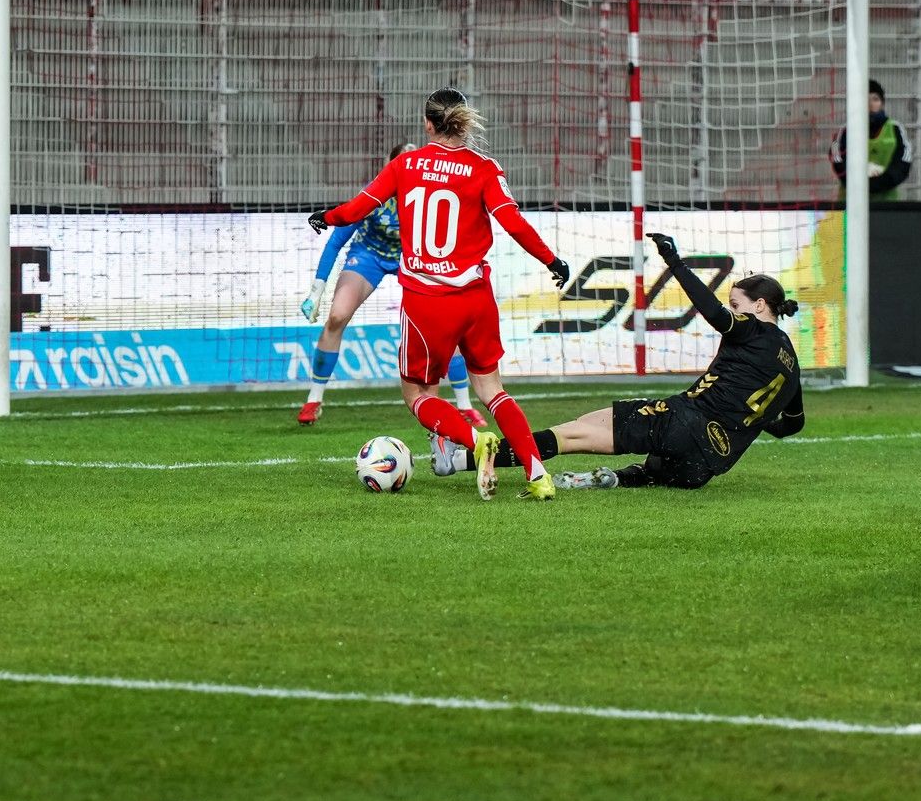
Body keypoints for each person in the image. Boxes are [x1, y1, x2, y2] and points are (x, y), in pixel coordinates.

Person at [310, 88, 571, 501]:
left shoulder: (405, 164)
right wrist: (552, 260)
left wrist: (326, 216)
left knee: (417, 394)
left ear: (428, 124)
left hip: (427, 302)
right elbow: (513, 223)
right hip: (475, 296)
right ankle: (538, 475)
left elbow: (358, 208)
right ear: (463, 123)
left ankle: (472, 439)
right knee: (493, 390)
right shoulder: (485, 167)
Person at [461, 233, 805, 491]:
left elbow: (715, 316)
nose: (733, 310)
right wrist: (751, 421)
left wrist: (676, 263)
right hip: (706, 466)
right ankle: (613, 479)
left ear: (760, 306)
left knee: (573, 433)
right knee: (650, 468)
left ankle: (462, 460)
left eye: (736, 303)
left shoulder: (753, 329)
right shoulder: (792, 368)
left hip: (683, 424)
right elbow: (792, 425)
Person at [297, 143, 479, 427]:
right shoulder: (373, 194)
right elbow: (336, 240)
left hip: (413, 257)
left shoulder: (428, 196)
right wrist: (316, 290)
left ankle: (465, 404)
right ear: (390, 166)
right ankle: (314, 399)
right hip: (368, 256)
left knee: (444, 324)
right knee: (337, 316)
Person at [829, 78, 913, 201]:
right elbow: (837, 159)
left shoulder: (895, 129)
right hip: (851, 201)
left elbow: (904, 161)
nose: (870, 104)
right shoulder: (847, 130)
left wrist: (880, 182)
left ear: (882, 103)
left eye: (875, 99)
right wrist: (857, 182)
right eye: (865, 99)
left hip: (887, 202)